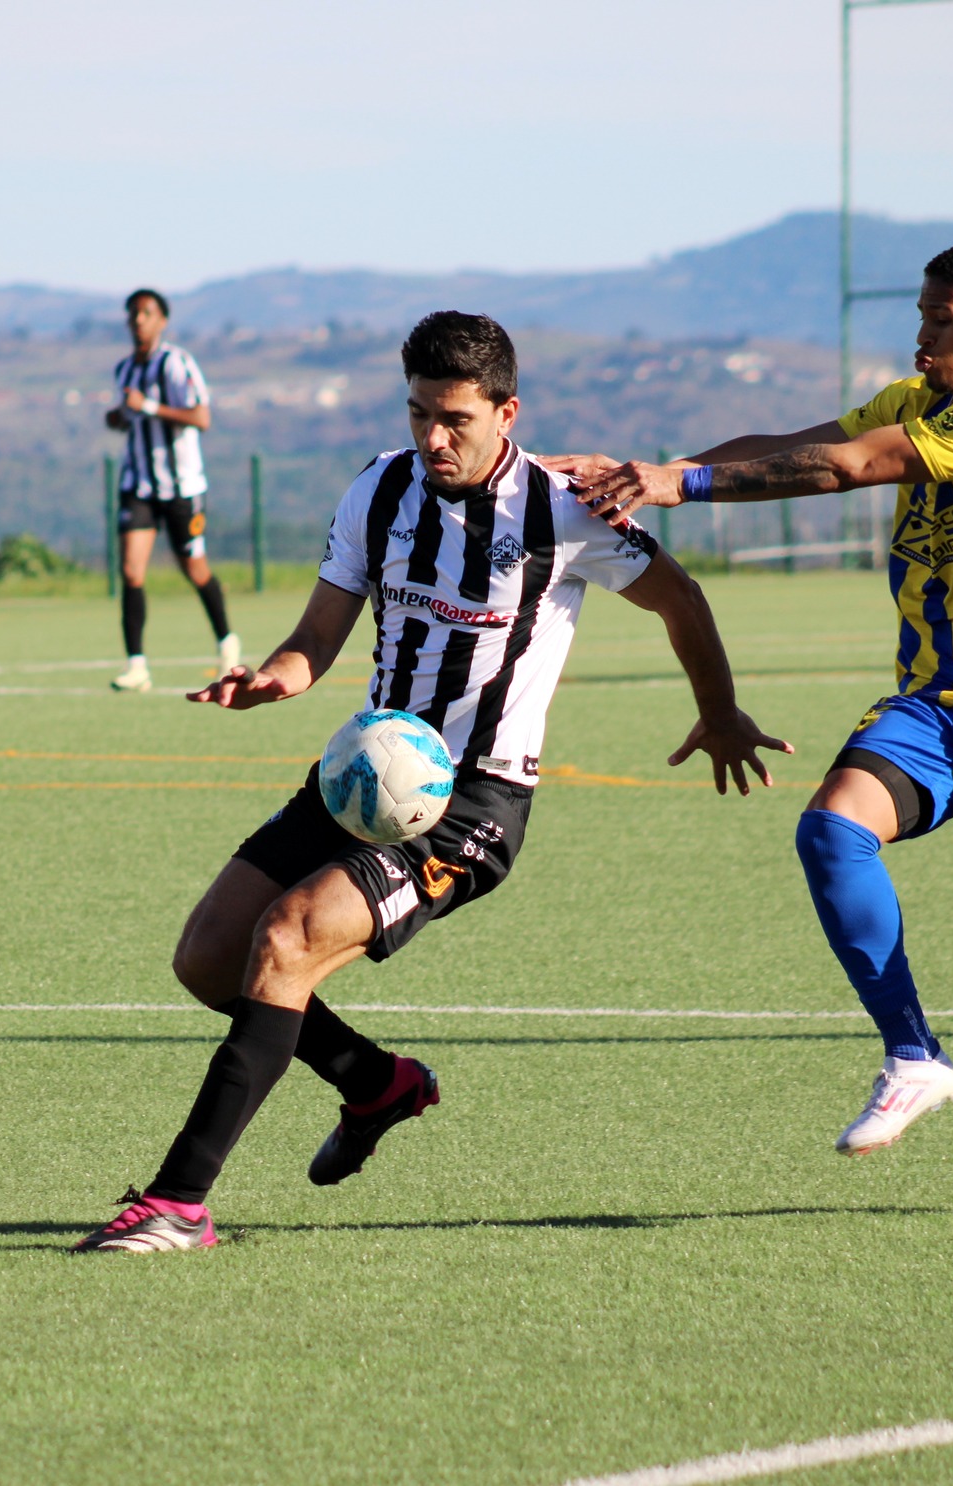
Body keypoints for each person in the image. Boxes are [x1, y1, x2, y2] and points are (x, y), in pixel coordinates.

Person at [75, 311, 791, 1252]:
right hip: (360, 776)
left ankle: (177, 1203)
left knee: (287, 940)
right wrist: (273, 679)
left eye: (454, 418)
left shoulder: (566, 509)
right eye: (419, 414)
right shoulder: (378, 490)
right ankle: (377, 1083)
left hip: (468, 808)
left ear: (508, 411)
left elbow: (681, 598)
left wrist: (722, 709)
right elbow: (318, 637)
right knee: (208, 957)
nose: (432, 438)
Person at [551, 238, 953, 1215]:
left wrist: (677, 487)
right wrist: (648, 470)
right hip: (934, 704)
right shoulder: (914, 397)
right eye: (922, 315)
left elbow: (848, 467)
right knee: (829, 828)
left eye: (944, 318)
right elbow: (787, 444)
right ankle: (911, 1052)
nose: (924, 332)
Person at [106, 288, 240, 692]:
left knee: (194, 568)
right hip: (139, 486)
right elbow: (128, 420)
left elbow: (201, 417)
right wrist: (119, 416)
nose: (138, 320)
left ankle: (227, 640)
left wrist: (148, 407)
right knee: (131, 570)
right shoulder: (124, 370)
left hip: (181, 488)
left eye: (146, 313)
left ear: (162, 320)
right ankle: (136, 665)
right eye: (133, 314)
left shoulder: (177, 364)